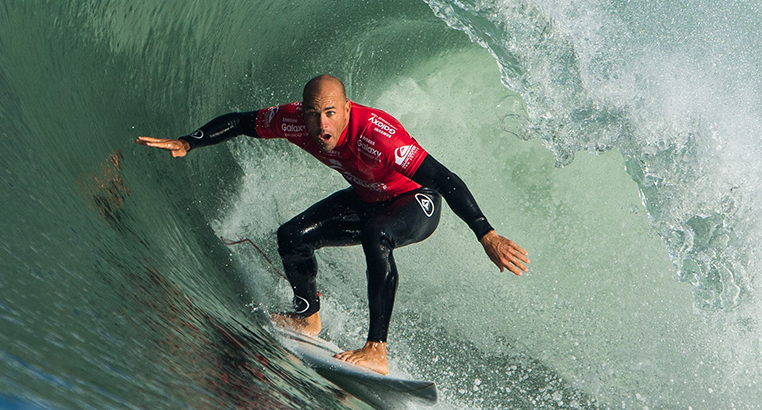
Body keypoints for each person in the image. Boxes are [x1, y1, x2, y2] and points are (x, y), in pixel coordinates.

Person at [137, 74, 528, 373]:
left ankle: (377, 349)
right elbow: (241, 122)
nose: (321, 124)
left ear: (346, 109)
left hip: (414, 202)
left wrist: (486, 233)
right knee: (293, 236)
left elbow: (444, 179)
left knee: (379, 234)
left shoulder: (379, 137)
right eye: (313, 113)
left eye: (330, 113)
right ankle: (307, 316)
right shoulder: (294, 121)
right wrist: (188, 142)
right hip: (366, 198)